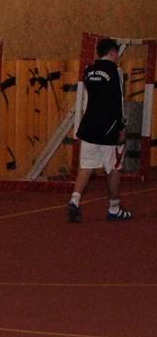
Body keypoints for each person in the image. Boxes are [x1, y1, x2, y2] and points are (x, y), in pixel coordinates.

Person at [68, 38, 133, 222]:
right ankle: (114, 208)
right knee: (113, 168)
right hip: (108, 128)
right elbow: (118, 100)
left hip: (89, 126)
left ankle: (74, 199)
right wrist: (121, 127)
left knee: (86, 165)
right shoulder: (115, 71)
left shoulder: (88, 71)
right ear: (112, 52)